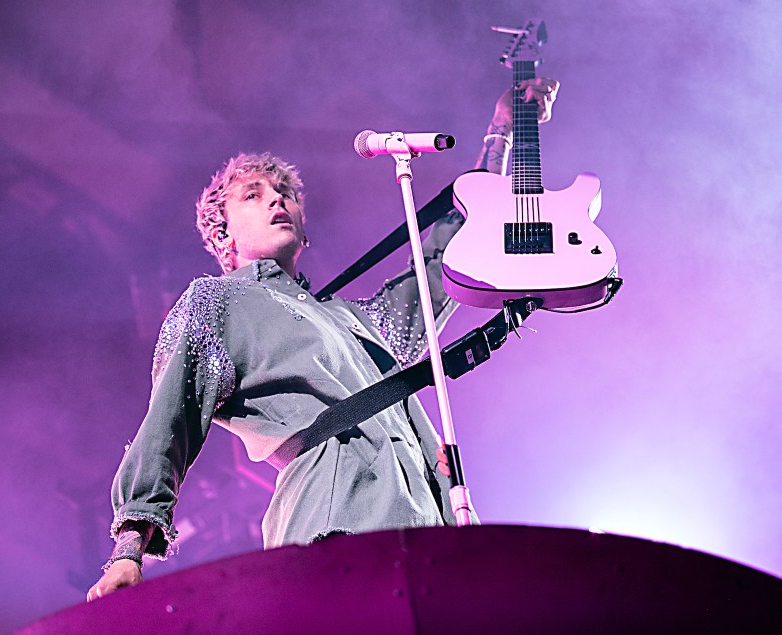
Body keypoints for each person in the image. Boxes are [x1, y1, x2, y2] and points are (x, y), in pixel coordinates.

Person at [86, 78, 560, 601]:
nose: (277, 202)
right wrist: (128, 551)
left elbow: (443, 258)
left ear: (306, 230)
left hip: (432, 531)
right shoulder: (217, 302)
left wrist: (505, 133)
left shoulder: (357, 321)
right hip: (336, 528)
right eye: (254, 195)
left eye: (285, 193)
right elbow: (168, 422)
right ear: (221, 234)